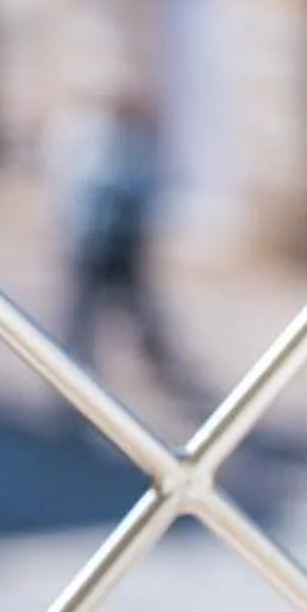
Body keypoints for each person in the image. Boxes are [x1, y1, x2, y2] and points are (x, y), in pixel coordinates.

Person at [61, 94, 188, 391]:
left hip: (110, 245)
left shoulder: (109, 150)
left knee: (125, 310)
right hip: (103, 245)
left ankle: (151, 361)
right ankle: (75, 365)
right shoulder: (114, 153)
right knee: (91, 312)